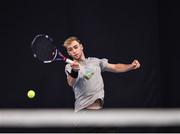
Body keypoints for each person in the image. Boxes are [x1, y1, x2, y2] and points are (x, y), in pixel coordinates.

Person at [63, 36, 140, 112]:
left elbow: (116, 67)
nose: (74, 51)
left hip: (98, 110)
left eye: (75, 47)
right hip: (83, 111)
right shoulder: (70, 66)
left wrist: (131, 66)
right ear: (69, 53)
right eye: (70, 49)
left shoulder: (95, 61)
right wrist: (74, 71)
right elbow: (71, 82)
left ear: (81, 47)